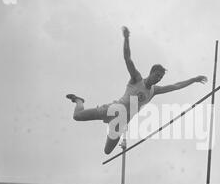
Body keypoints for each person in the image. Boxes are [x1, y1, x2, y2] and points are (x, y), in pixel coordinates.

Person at [67, 26, 207, 154]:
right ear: (151, 72)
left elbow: (176, 86)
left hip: (120, 123)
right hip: (112, 109)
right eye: (157, 76)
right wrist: (127, 38)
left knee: (107, 151)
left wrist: (194, 79)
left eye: (160, 78)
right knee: (77, 116)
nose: (158, 79)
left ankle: (109, 130)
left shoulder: (154, 91)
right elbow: (127, 58)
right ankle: (79, 101)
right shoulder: (136, 79)